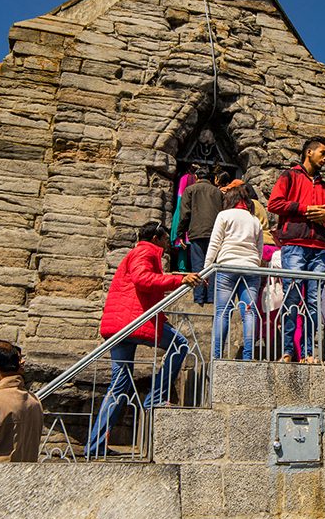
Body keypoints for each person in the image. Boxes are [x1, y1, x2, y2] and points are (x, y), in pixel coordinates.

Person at [86, 221, 202, 457]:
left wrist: (161, 317)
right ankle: (155, 397)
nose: (167, 242)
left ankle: (94, 447)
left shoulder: (137, 252)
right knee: (180, 344)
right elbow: (143, 281)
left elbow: (141, 295)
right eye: (165, 237)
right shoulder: (145, 252)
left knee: (119, 385)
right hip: (133, 323)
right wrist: (179, 279)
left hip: (121, 324)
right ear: (157, 237)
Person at [267, 136, 325, 363]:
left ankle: (309, 352)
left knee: (313, 300)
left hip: (319, 248)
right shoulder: (289, 176)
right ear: (309, 152)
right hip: (294, 246)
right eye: (323, 152)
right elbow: (274, 204)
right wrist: (304, 209)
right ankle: (288, 351)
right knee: (292, 296)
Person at [205, 185, 263, 360]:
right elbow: (259, 250)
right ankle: (248, 356)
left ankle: (217, 356)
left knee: (223, 311)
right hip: (251, 268)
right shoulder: (255, 220)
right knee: (249, 312)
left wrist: (207, 269)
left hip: (227, 266)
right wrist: (254, 263)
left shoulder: (224, 215)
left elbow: (215, 243)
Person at [177, 168, 223, 305]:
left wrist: (180, 233)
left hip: (197, 232)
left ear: (196, 176)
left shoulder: (190, 190)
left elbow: (185, 214)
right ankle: (211, 297)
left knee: (198, 265)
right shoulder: (217, 192)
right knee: (213, 265)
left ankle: (199, 297)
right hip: (215, 233)